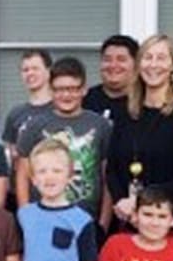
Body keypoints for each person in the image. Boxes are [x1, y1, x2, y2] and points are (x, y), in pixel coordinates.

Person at [105, 34, 173, 246]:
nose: (153, 65)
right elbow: (112, 168)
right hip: (130, 223)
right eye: (148, 57)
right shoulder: (127, 111)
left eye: (161, 58)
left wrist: (141, 201)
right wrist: (121, 203)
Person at [14, 58, 113, 233]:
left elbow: (107, 177)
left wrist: (103, 224)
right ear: (51, 90)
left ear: (84, 90)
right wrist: (25, 217)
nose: (66, 95)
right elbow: (23, 174)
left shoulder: (100, 125)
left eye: (73, 89)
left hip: (87, 219)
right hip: (42, 219)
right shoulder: (35, 125)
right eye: (59, 89)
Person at [2, 49, 54, 163]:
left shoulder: (60, 110)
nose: (30, 73)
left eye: (35, 68)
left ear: (48, 71)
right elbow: (12, 154)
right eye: (25, 70)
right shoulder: (15, 114)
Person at [84, 34, 139, 122]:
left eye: (121, 59)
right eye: (107, 59)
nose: (113, 65)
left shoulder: (144, 103)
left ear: (136, 64)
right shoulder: (84, 101)